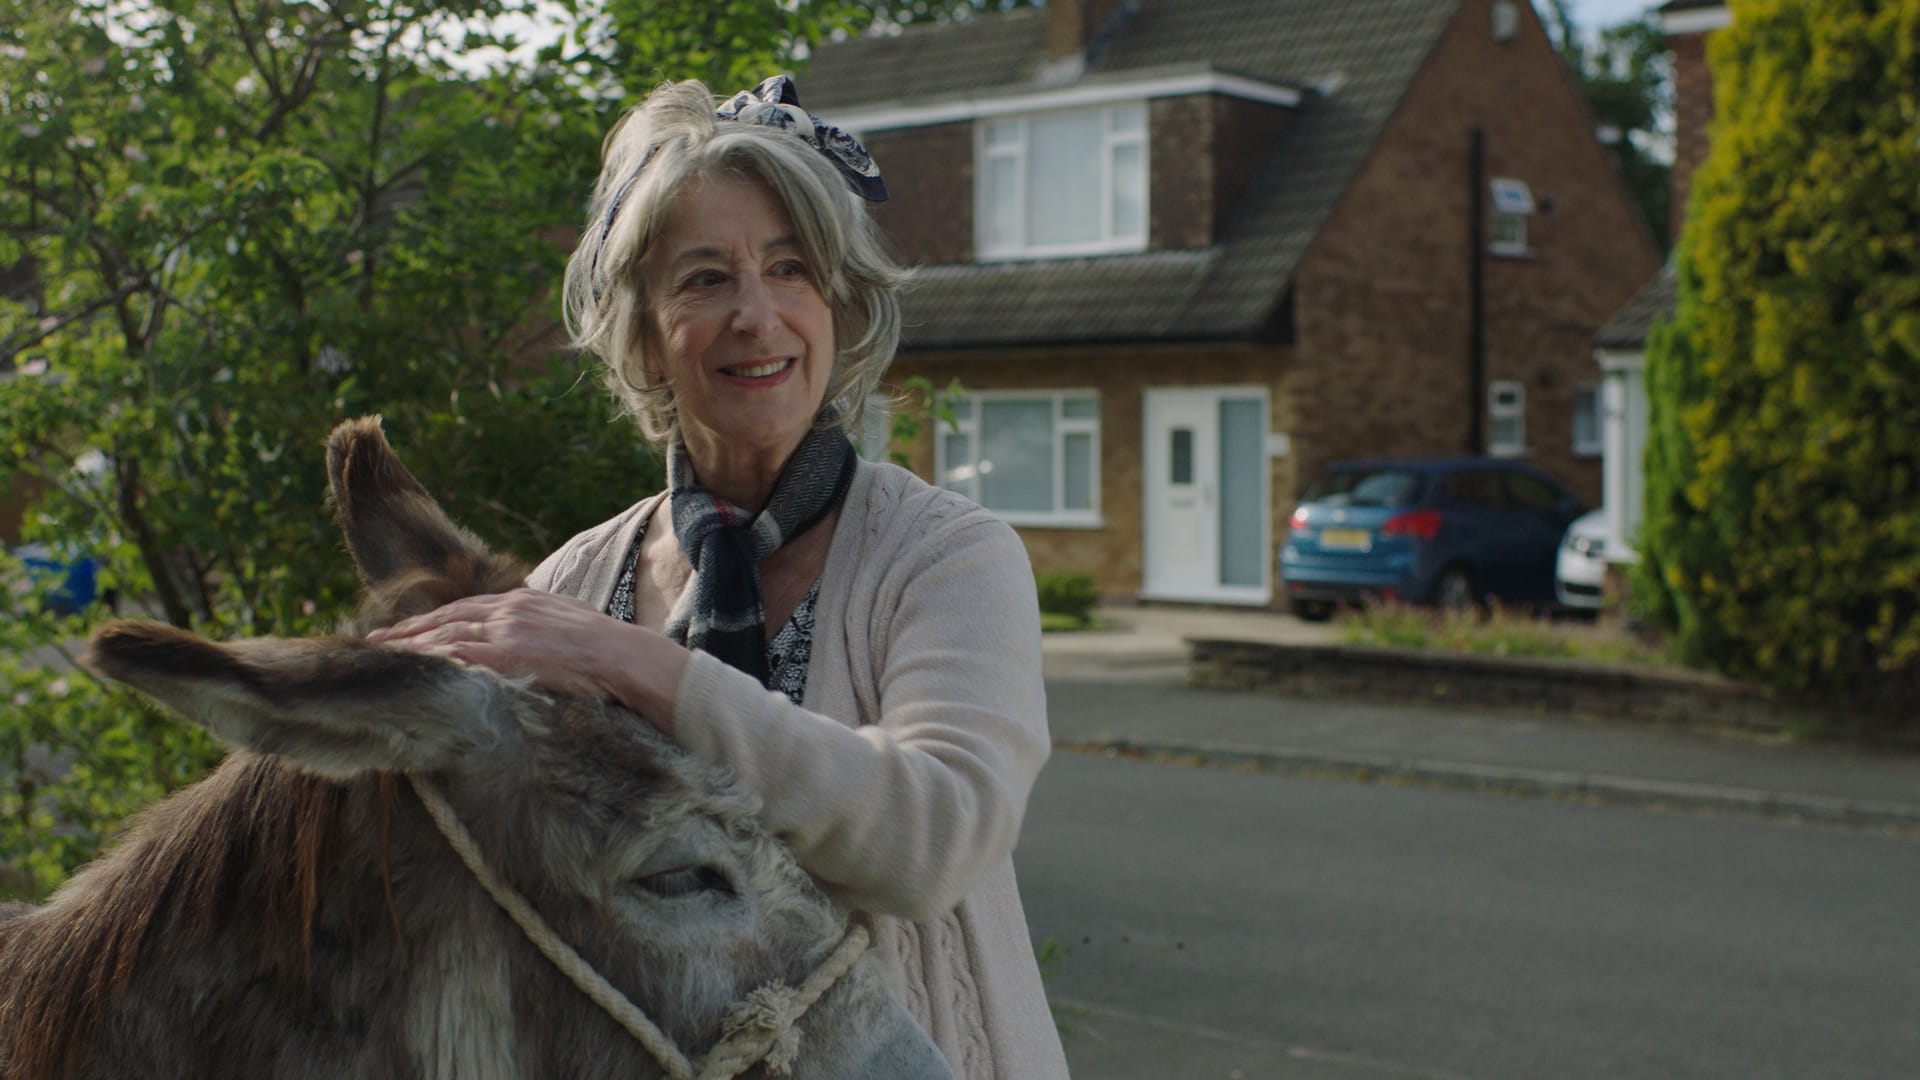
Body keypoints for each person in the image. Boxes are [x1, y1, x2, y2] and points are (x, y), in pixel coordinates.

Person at [369, 75, 1070, 1078]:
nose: (758, 315)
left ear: (838, 305)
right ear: (645, 332)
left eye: (791, 269)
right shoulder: (578, 582)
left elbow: (935, 837)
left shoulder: (948, 557)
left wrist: (644, 670)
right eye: (704, 279)